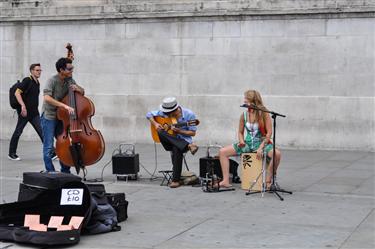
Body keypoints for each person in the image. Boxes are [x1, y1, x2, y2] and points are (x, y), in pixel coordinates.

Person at [219, 89, 281, 188]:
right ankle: (225, 181)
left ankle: (268, 180)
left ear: (254, 101)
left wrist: (261, 147)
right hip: (247, 144)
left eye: (246, 100)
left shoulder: (264, 113)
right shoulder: (244, 115)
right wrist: (241, 141)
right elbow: (240, 132)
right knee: (223, 152)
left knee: (276, 154)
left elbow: (269, 132)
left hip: (261, 143)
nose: (244, 101)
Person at [41, 57, 84, 173]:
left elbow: (82, 92)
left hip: (62, 118)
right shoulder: (52, 81)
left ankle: (65, 171)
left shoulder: (70, 80)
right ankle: (50, 172)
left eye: (72, 68)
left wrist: (78, 89)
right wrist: (64, 106)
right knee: (49, 146)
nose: (71, 71)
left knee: (64, 144)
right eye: (69, 69)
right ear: (61, 70)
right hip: (49, 116)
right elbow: (46, 98)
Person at [146, 97, 199, 188]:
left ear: (174, 110)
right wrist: (155, 124)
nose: (165, 115)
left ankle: (175, 181)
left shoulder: (189, 115)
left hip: (182, 141)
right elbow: (148, 114)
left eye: (167, 113)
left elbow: (192, 133)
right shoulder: (164, 113)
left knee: (177, 148)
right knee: (159, 131)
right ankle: (189, 146)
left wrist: (179, 131)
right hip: (169, 142)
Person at [8, 63, 57, 161]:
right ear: (32, 71)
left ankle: (51, 152)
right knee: (18, 131)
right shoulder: (27, 80)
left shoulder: (37, 82)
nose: (39, 72)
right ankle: (11, 153)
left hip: (34, 113)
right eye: (37, 70)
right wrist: (22, 106)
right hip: (25, 113)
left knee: (42, 132)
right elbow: (17, 93)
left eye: (40, 70)